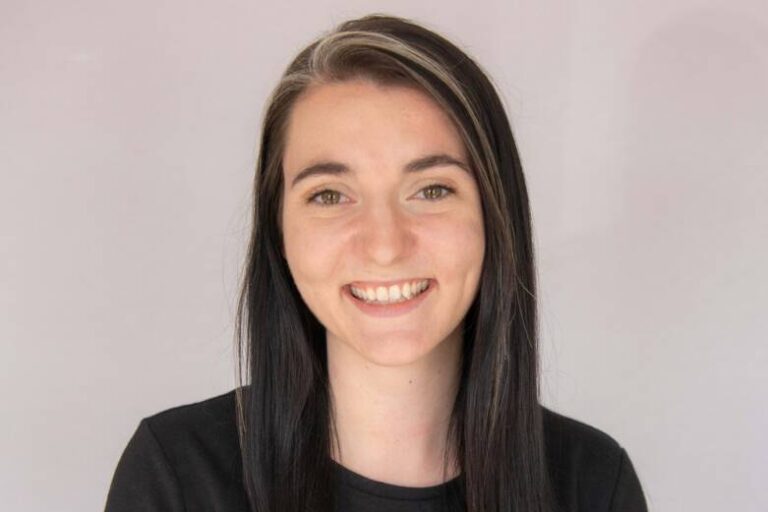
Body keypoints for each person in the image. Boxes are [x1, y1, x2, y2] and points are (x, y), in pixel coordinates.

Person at [104, 13, 648, 512]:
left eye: (432, 189)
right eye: (330, 195)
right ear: (280, 232)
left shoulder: (592, 484)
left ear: (493, 215)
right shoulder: (176, 475)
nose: (385, 245)